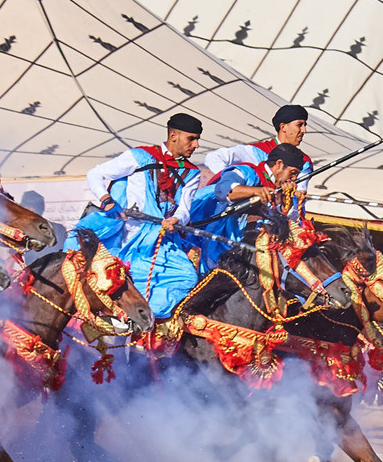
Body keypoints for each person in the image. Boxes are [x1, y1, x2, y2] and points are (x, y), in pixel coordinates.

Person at [65, 113, 202, 319]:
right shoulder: (140, 156)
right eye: (191, 138)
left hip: (162, 238)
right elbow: (95, 174)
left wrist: (177, 219)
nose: (197, 145)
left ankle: (141, 318)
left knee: (188, 278)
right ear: (173, 136)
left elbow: (184, 208)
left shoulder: (192, 173)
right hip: (126, 233)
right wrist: (106, 200)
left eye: (197, 139)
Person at [188, 142, 305, 272]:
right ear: (279, 164)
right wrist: (255, 191)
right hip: (222, 245)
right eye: (292, 173)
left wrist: (285, 200)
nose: (293, 179)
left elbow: (290, 221)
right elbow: (222, 190)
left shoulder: (283, 190)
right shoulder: (247, 172)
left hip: (254, 252)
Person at [203, 104, 314, 195]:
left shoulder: (304, 162)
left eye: (305, 125)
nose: (304, 130)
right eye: (299, 125)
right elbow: (213, 157)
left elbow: (299, 195)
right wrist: (232, 182)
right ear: (283, 127)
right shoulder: (255, 151)